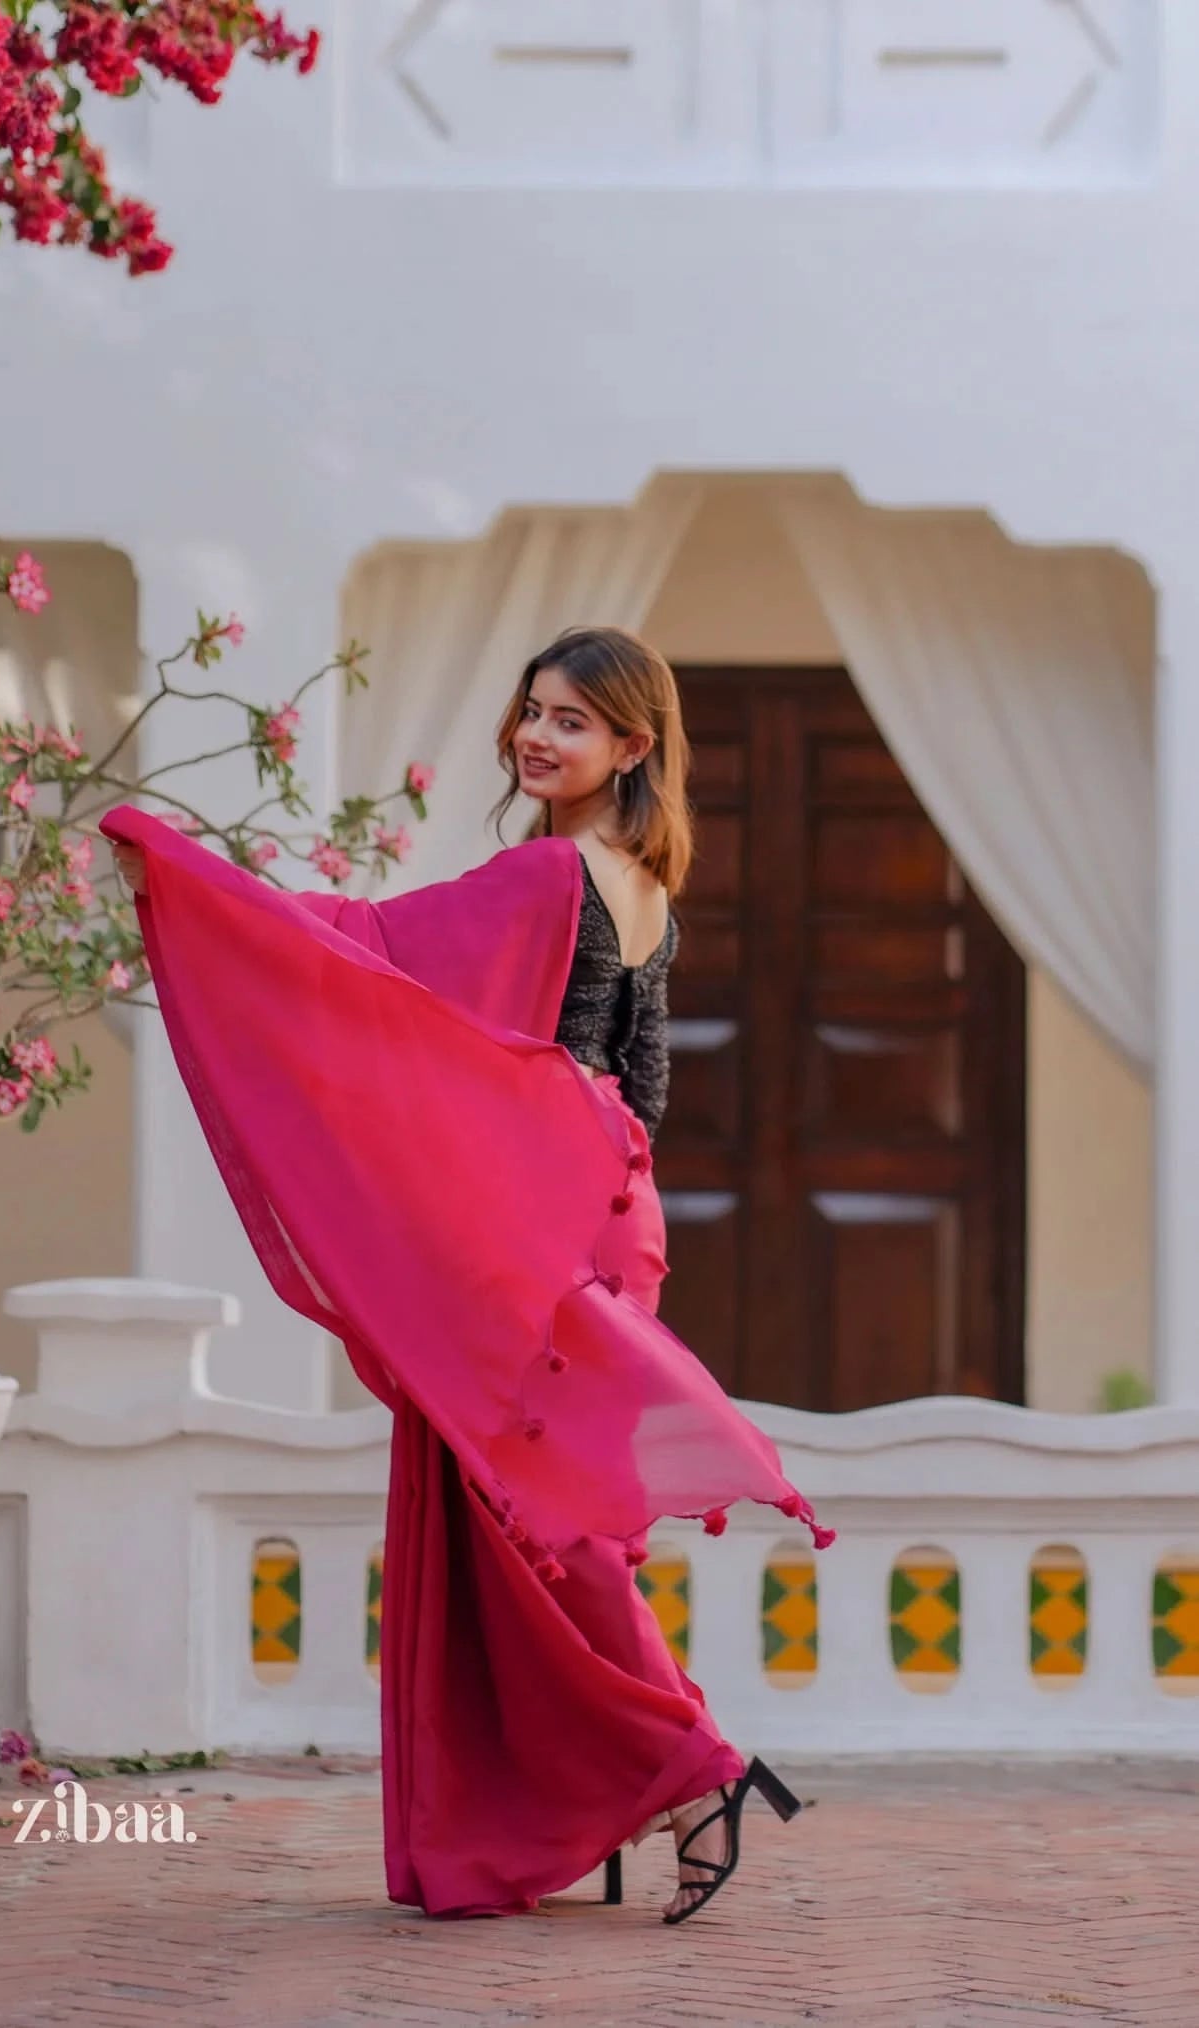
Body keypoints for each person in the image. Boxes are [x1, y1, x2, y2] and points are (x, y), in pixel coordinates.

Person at [107, 624, 833, 1925]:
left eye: (569, 720)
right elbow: (642, 1087)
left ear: (632, 745)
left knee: (536, 1521)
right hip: (612, 1217)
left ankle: (693, 1769)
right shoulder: (644, 887)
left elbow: (365, 950)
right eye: (531, 712)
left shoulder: (550, 876)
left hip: (545, 1230)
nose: (536, 737)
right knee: (553, 1516)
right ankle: (656, 1779)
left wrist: (201, 892)